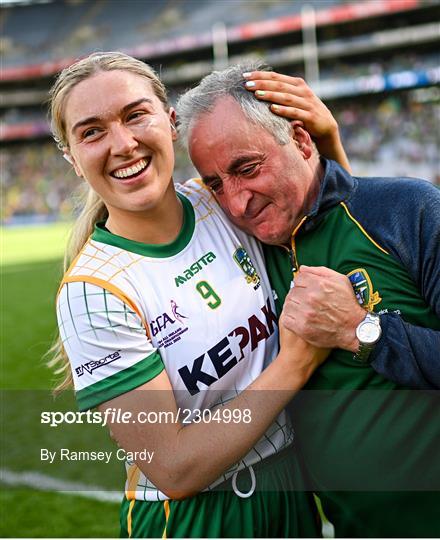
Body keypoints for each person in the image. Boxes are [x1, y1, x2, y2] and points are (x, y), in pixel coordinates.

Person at [48, 52, 353, 538]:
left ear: (170, 122)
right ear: (72, 159)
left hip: (292, 488)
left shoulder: (222, 201)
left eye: (135, 115)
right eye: (92, 132)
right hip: (196, 519)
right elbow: (173, 468)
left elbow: (337, 242)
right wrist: (295, 363)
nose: (123, 144)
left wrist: (327, 143)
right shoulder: (94, 291)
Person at [177, 62, 440, 537]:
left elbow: (341, 209)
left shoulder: (410, 209)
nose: (237, 203)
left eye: (247, 168)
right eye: (216, 184)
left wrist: (364, 332)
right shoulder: (247, 255)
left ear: (301, 141)